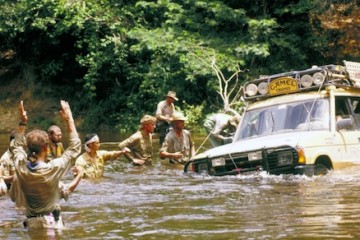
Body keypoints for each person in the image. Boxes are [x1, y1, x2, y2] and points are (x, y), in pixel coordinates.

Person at [10, 100, 81, 229]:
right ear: (45, 148)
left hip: (32, 225)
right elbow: (75, 147)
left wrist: (22, 122)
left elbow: (15, 147)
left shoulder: (21, 167)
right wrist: (69, 118)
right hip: (51, 225)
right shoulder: (53, 168)